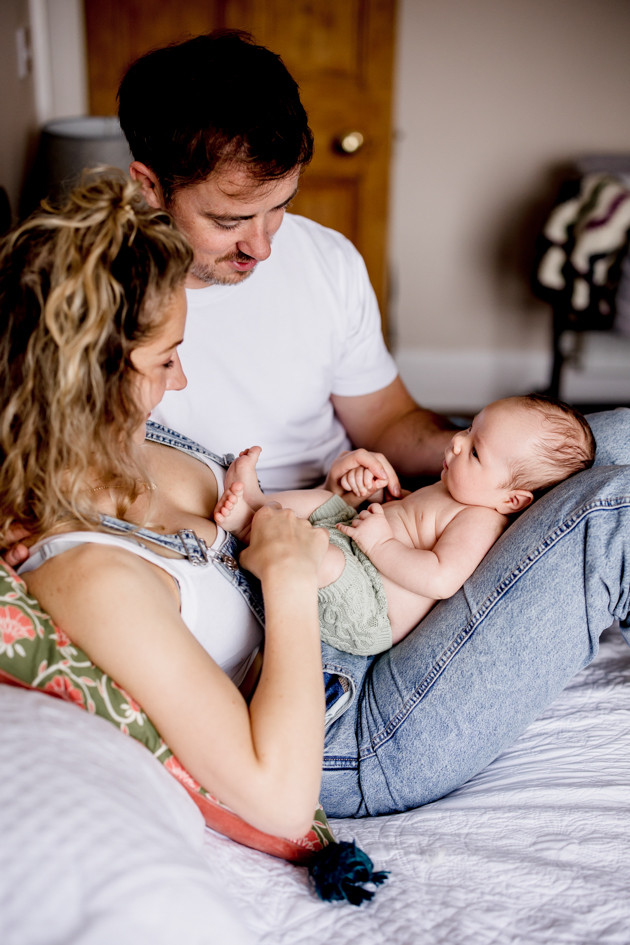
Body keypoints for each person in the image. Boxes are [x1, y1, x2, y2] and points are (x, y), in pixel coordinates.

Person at [4, 174, 630, 830]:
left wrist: (337, 496)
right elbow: (279, 798)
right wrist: (289, 574)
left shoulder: (133, 442)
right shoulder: (89, 575)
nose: (181, 379)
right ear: (88, 379)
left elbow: (280, 526)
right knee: (613, 512)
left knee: (608, 437)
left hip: (368, 602)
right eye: (165, 362)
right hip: (347, 719)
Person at [117, 30, 455, 492]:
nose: (262, 248)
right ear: (149, 185)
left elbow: (384, 419)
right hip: (202, 533)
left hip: (342, 510)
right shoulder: (90, 293)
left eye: (279, 206)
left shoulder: (329, 259)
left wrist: (476, 451)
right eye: (228, 220)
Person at [214, 395, 595, 654]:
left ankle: (256, 535)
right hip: (359, 550)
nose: (457, 444)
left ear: (511, 500)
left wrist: (381, 545)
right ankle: (256, 510)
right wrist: (376, 496)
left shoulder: (480, 521)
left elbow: (440, 578)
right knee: (325, 502)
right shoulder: (458, 488)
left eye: (476, 451)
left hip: (367, 603)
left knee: (324, 559)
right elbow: (410, 521)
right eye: (468, 429)